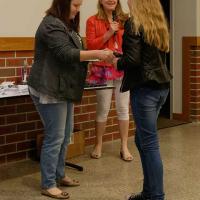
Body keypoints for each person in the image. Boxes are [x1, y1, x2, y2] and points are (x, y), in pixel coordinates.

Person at [27, 0, 114, 199]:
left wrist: (93, 59)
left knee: (65, 136)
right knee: (55, 137)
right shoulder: (50, 24)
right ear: (62, 4)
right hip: (50, 88)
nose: (77, 9)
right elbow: (66, 53)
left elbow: (74, 54)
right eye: (75, 5)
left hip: (63, 87)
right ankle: (48, 184)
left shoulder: (66, 25)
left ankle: (60, 174)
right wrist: (98, 54)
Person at [113, 0, 172, 199]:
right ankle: (149, 192)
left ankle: (155, 196)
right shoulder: (158, 22)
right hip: (161, 88)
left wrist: (115, 61)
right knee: (142, 139)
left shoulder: (133, 22)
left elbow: (132, 60)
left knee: (149, 144)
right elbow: (148, 55)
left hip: (145, 89)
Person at [86, 0, 133, 161]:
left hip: (121, 67)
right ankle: (98, 144)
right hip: (102, 69)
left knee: (123, 108)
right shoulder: (92, 20)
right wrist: (108, 33)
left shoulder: (126, 20)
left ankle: (124, 146)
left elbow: (131, 44)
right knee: (103, 109)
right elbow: (90, 46)